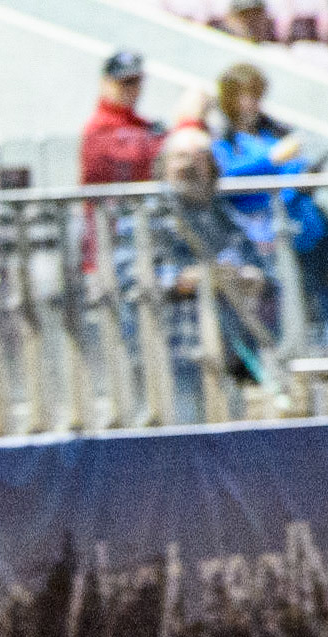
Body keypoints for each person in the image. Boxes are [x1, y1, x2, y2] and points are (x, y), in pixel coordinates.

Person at [116, 128, 270, 423]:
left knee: (236, 445)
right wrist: (190, 279)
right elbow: (130, 275)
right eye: (180, 157)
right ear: (163, 166)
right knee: (180, 445)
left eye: (200, 157)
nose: (189, 165)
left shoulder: (223, 213)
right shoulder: (145, 214)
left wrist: (251, 277)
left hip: (232, 352)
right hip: (172, 352)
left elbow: (256, 263)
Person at [212, 62, 328, 318]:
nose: (253, 103)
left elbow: (296, 171)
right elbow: (229, 182)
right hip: (268, 240)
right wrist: (271, 160)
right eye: (245, 95)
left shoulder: (273, 132)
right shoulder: (224, 143)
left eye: (256, 95)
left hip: (308, 229)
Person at [81, 50, 164, 186]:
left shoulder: (143, 124)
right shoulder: (98, 126)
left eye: (135, 81)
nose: (131, 88)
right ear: (105, 83)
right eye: (124, 82)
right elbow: (132, 160)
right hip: (107, 205)